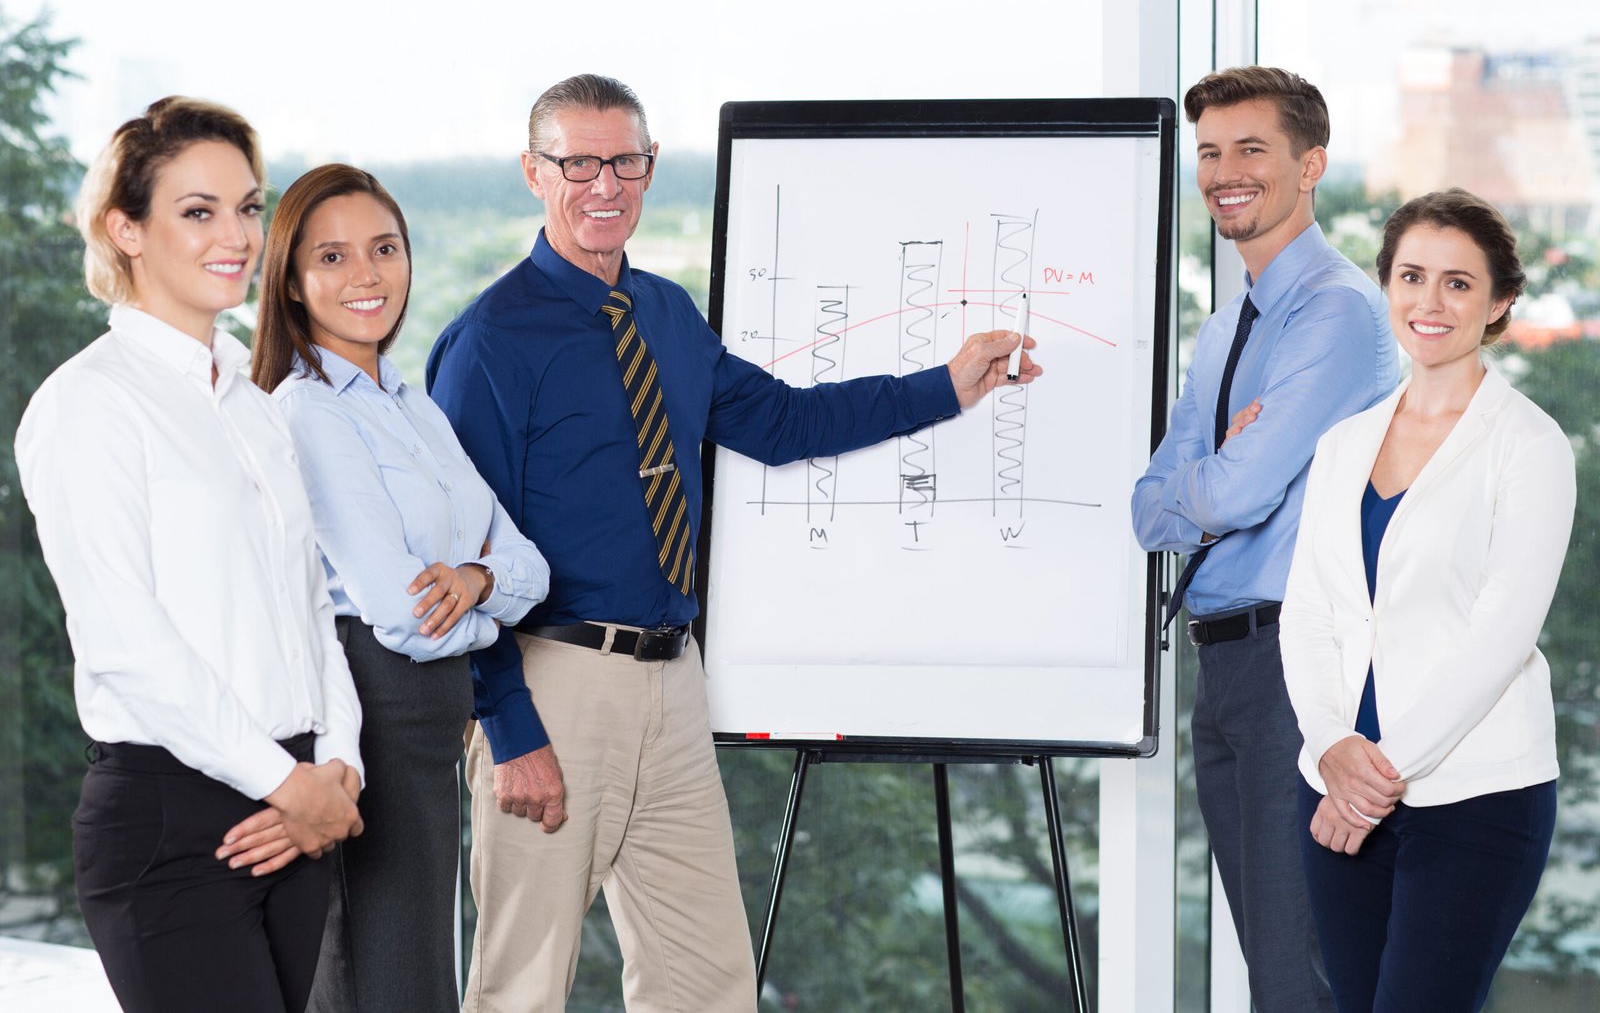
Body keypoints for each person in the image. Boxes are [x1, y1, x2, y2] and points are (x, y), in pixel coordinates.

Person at [426, 73, 1040, 1012]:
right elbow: (461, 556)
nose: (604, 185)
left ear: (650, 168)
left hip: (672, 682)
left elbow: (785, 422)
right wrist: (509, 730)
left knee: (706, 981)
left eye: (624, 161)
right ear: (532, 172)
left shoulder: (667, 313)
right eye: (577, 162)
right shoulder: (488, 343)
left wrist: (945, 386)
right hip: (553, 682)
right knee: (521, 986)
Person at [13, 97, 364, 1013]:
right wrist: (288, 782)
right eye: (198, 211)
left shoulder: (251, 400)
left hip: (294, 809)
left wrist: (338, 767)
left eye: (248, 208)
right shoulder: (86, 405)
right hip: (172, 819)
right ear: (123, 228)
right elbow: (128, 638)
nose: (238, 235)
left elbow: (308, 607)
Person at [245, 164, 552, 1012]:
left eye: (383, 249)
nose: (366, 275)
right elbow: (403, 617)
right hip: (373, 706)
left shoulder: (412, 407)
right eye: (333, 257)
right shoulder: (309, 410)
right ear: (294, 283)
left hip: (423, 720)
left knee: (413, 964)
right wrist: (484, 608)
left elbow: (530, 567)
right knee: (382, 971)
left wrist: (477, 577)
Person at [1130, 66, 1397, 1012]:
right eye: (1209, 152)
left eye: (1251, 149)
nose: (1224, 172)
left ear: (1310, 164)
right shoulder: (1223, 331)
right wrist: (1211, 478)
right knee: (1278, 968)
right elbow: (1149, 509)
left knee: (1302, 974)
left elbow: (1231, 491)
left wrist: (1213, 475)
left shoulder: (1334, 308)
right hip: (1227, 667)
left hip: (1297, 662)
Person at [1280, 188, 1573, 1012]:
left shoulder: (1530, 446)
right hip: (1334, 784)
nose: (1429, 302)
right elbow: (1307, 611)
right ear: (1387, 286)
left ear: (1500, 301)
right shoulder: (1342, 445)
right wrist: (1332, 743)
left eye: (1457, 282)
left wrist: (1377, 774)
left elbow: (1502, 636)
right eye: (1411, 276)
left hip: (1475, 798)